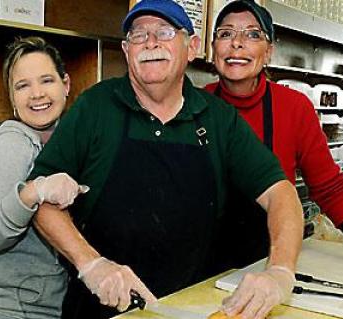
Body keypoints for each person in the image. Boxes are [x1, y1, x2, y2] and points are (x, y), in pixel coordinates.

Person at [29, 1, 303, 318]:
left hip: (190, 306)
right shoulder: (96, 107)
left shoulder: (217, 118)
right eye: (138, 35)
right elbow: (41, 197)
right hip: (101, 308)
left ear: (192, 47)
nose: (151, 43)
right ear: (126, 49)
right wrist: (91, 264)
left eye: (164, 31)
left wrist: (280, 271)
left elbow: (280, 192)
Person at [205, 0, 343, 277]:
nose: (237, 43)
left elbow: (330, 189)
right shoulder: (195, 104)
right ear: (213, 48)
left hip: (271, 262)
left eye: (252, 34)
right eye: (226, 33)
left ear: (269, 51)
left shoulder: (293, 107)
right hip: (200, 265)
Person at [0, 36, 88, 319]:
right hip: (10, 310)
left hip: (47, 306)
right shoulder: (12, 143)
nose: (37, 94)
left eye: (46, 80)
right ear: (12, 98)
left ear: (66, 84)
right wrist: (32, 193)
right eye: (23, 85)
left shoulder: (65, 141)